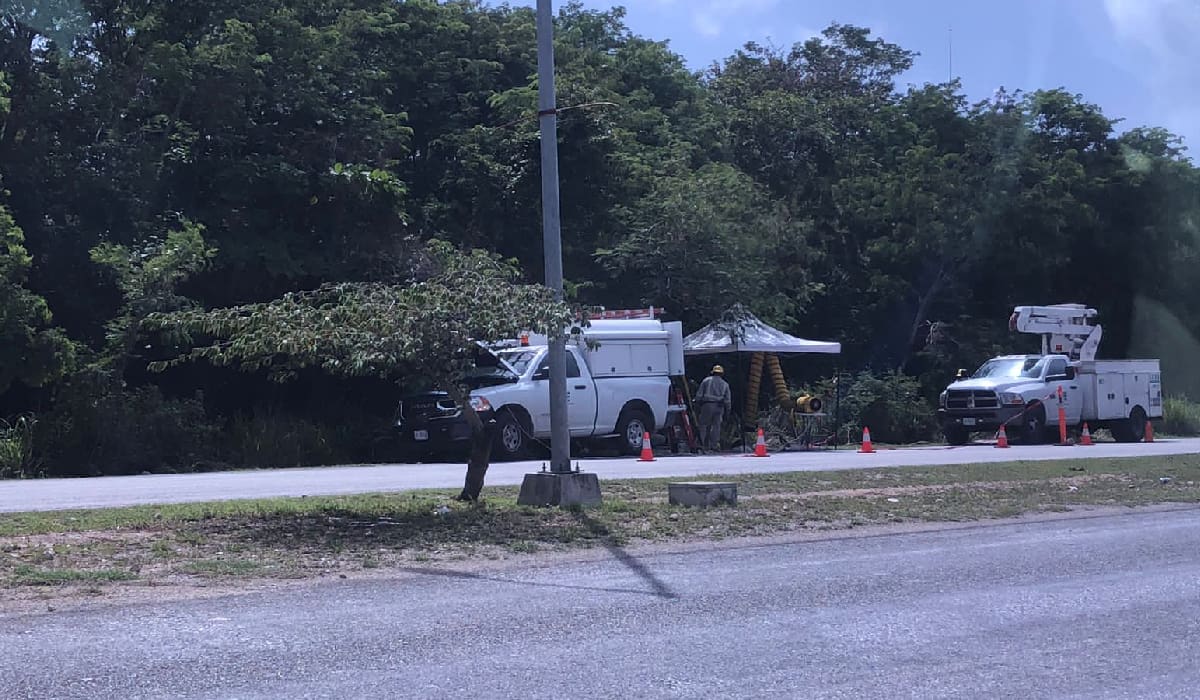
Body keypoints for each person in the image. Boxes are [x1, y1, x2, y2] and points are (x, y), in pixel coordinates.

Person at [694, 364, 731, 451]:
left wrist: (697, 404)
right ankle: (713, 445)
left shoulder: (706, 381)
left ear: (713, 372)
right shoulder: (725, 384)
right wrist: (728, 411)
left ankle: (701, 444)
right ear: (722, 374)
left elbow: (699, 395)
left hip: (707, 405)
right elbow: (728, 400)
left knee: (703, 424)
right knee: (716, 426)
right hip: (719, 406)